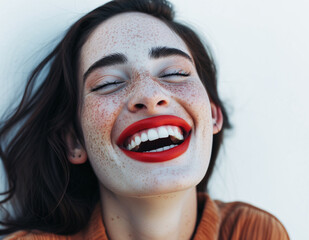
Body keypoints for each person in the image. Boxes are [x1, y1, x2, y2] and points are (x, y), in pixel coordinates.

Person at [0, 0, 289, 239]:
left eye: (175, 73)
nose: (150, 95)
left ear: (212, 114)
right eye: (108, 83)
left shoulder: (255, 232)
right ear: (75, 140)